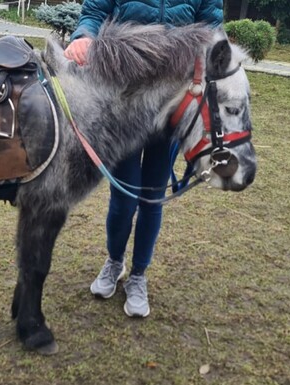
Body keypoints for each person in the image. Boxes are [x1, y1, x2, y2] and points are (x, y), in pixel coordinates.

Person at [64, 0, 223, 317]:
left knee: (152, 197)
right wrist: (84, 36)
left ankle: (138, 276)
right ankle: (114, 262)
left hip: (171, 107)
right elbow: (94, 12)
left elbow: (212, 29)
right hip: (124, 105)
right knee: (124, 198)